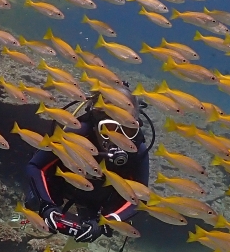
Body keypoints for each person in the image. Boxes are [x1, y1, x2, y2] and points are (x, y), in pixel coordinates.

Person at [25, 91, 150, 243]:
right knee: (29, 207)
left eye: (128, 129)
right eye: (110, 127)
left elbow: (140, 198)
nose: (118, 138)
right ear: (97, 121)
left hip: (98, 206)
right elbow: (36, 166)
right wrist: (46, 204)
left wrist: (106, 223)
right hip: (60, 190)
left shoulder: (137, 149)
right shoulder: (78, 134)